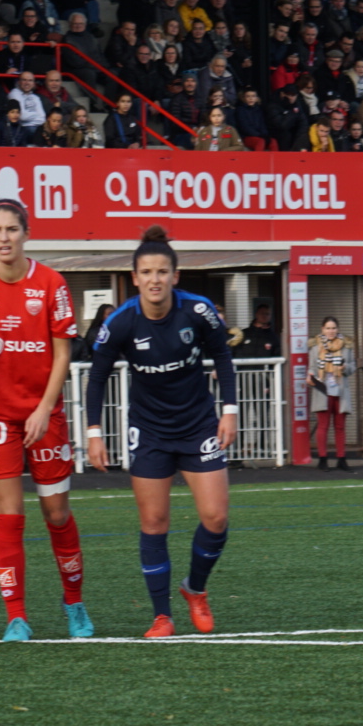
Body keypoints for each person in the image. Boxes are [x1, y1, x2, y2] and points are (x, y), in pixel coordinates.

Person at [0, 200, 92, 642]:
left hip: (46, 415)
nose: (4, 237)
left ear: (26, 233)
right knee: (9, 516)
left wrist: (45, 408)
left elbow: (63, 353)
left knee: (57, 513)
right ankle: (17, 617)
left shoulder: (51, 284)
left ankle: (74, 602)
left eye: (11, 229)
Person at [85, 227, 237, 639]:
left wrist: (229, 410)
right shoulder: (120, 322)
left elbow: (222, 354)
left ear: (175, 275)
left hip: (198, 425)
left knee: (217, 517)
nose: (155, 279)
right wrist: (94, 431)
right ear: (135, 278)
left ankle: (195, 589)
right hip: (149, 431)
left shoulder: (199, 311)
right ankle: (161, 616)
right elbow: (96, 377)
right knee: (154, 523)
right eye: (147, 272)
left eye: (162, 271)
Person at [308, 316, 355, 471]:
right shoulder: (315, 348)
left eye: (333, 328)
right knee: (323, 426)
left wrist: (344, 367)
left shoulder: (346, 347)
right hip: (323, 390)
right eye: (328, 328)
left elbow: (352, 367)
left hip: (340, 391)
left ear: (338, 329)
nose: (331, 331)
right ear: (322, 329)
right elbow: (312, 369)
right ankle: (323, 459)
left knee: (340, 426)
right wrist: (311, 376)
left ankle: (341, 458)